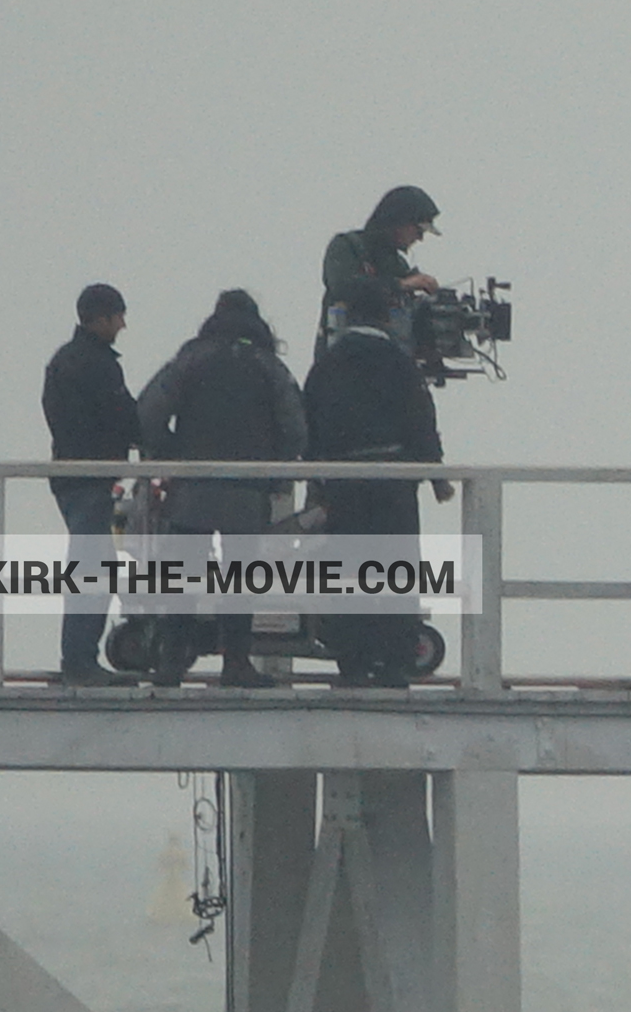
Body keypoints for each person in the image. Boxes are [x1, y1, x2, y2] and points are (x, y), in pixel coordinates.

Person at [139, 290, 307, 687]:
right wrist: (276, 474)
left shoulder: (192, 358)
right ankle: (236, 662)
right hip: (247, 490)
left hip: (192, 486)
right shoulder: (268, 365)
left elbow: (148, 409)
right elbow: (296, 428)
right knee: (240, 575)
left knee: (181, 574)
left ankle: (171, 662)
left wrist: (168, 453)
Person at [304, 278, 451, 687]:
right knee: (396, 568)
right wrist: (434, 472)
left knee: (347, 569)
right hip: (393, 480)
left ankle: (352, 659)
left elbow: (309, 423)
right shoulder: (397, 362)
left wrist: (316, 476)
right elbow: (420, 419)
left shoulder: (327, 365)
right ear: (387, 318)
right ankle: (393, 660)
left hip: (343, 481)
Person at [41, 283, 141, 686]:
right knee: (94, 568)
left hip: (68, 476)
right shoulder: (99, 364)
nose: (122, 324)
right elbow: (124, 416)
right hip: (91, 478)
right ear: (100, 318)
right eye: (118, 316)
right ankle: (80, 661)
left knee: (89, 563)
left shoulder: (63, 361)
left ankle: (79, 658)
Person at [315, 185, 443, 361]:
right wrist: (401, 285)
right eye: (418, 230)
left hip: (390, 368)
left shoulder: (398, 264)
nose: (420, 238)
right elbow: (343, 287)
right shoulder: (347, 247)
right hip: (342, 365)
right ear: (399, 221)